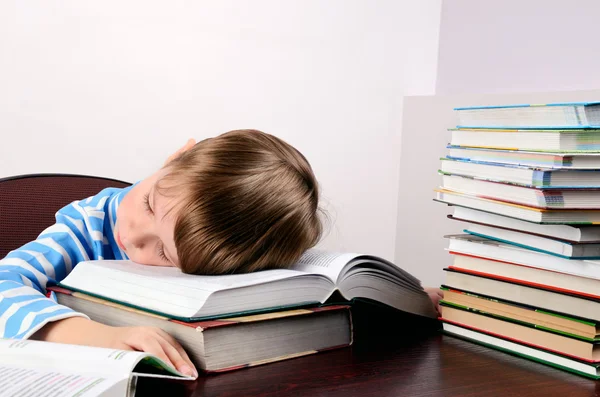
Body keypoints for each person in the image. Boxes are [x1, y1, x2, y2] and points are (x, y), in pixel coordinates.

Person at [0, 129, 442, 377]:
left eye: (167, 255)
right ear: (176, 157)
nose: (135, 237)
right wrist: (97, 337)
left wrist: (399, 299)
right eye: (151, 203)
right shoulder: (86, 223)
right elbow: (4, 284)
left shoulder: (228, 254)